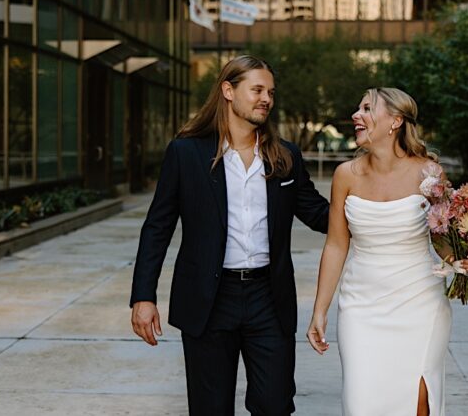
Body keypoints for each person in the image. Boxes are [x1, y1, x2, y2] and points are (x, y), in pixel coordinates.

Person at [130, 55, 330, 416]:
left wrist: (380, 204)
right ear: (228, 90)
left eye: (270, 92)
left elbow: (319, 214)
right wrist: (143, 296)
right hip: (208, 299)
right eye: (256, 90)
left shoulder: (285, 156)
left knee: (275, 405)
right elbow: (158, 227)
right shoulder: (186, 153)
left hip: (269, 298)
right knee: (210, 408)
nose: (266, 98)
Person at [306, 87, 468, 416]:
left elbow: (441, 234)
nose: (357, 115)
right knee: (361, 405)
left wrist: (457, 259)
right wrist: (320, 309)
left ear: (395, 121)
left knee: (418, 403)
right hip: (361, 307)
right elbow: (337, 244)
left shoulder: (429, 173)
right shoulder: (345, 176)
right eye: (358, 109)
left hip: (420, 303)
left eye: (367, 108)